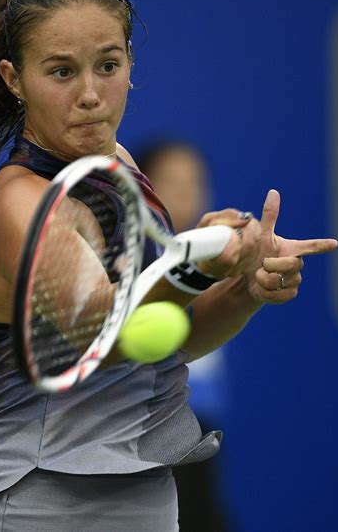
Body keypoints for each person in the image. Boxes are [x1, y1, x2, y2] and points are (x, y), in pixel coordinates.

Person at [0, 0, 338, 531]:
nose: (91, 95)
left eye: (108, 66)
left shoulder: (124, 171)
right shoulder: (19, 201)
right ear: (14, 77)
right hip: (33, 502)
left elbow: (168, 341)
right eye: (61, 72)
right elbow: (104, 336)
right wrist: (192, 263)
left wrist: (244, 289)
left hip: (147, 498)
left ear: (129, 64)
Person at [136, 141, 236, 531]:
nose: (186, 192)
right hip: (145, 455)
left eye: (195, 181)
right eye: (172, 182)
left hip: (199, 449)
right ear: (146, 190)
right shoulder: (133, 263)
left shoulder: (212, 262)